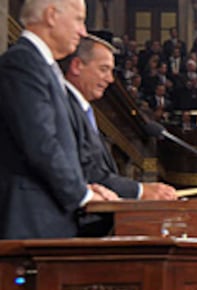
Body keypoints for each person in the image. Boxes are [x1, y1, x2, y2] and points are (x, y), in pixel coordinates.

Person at [0, 0, 117, 239]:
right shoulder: (22, 62)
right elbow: (41, 144)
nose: (83, 31)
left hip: (49, 219)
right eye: (78, 20)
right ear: (51, 15)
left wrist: (83, 186)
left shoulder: (44, 67)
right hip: (30, 221)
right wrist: (82, 195)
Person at [63, 35, 177, 201]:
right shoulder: (62, 107)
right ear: (77, 66)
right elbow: (85, 173)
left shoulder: (85, 109)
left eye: (111, 71)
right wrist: (140, 190)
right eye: (103, 69)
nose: (110, 79)